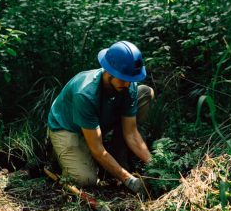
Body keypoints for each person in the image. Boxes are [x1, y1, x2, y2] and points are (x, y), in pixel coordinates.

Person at [47, 41, 154, 194]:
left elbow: (131, 133)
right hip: (68, 127)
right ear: (108, 72)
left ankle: (118, 155)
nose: (127, 84)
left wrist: (153, 165)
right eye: (122, 78)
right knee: (85, 180)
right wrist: (130, 180)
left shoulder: (128, 85)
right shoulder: (85, 93)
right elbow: (97, 149)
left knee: (145, 92)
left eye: (130, 79)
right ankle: (57, 151)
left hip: (95, 120)